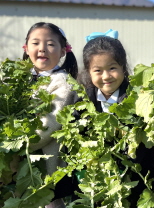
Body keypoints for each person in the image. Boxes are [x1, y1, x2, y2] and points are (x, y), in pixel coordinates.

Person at [75, 30, 154, 207]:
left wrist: (119, 163)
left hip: (136, 179)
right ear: (89, 72)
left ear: (123, 66)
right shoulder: (83, 100)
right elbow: (75, 134)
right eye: (98, 71)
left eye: (112, 68)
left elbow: (142, 145)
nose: (106, 76)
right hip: (96, 183)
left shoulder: (137, 99)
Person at [22, 22, 78, 208]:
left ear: (63, 51)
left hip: (49, 170)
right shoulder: (17, 78)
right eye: (35, 43)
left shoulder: (63, 84)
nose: (42, 49)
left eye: (50, 44)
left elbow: (47, 127)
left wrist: (12, 143)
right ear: (26, 48)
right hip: (19, 166)